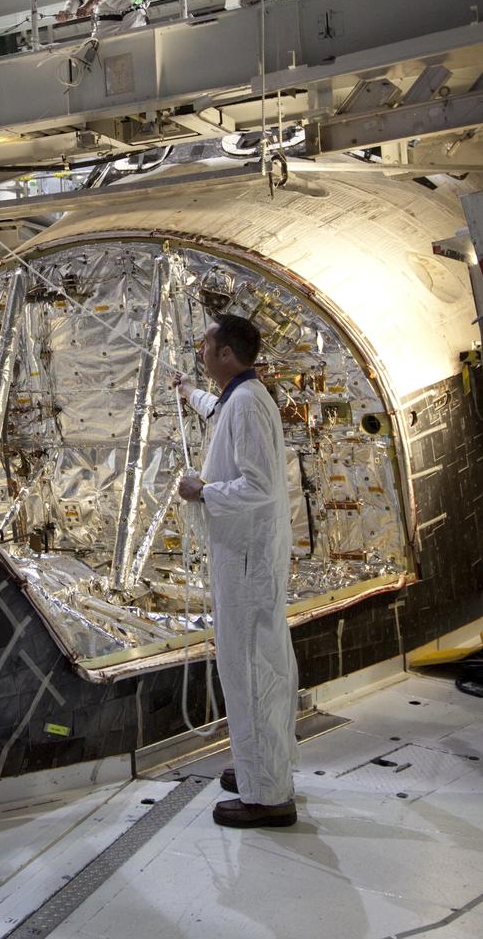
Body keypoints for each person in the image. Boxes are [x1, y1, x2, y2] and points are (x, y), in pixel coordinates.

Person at [176, 313, 299, 829]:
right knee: (257, 665)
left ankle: (268, 796)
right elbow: (219, 414)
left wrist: (202, 490)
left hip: (246, 561)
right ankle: (259, 770)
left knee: (250, 671)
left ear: (226, 354)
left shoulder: (247, 404)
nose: (200, 351)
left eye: (205, 346)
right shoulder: (243, 397)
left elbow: (260, 485)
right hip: (247, 557)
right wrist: (189, 393)